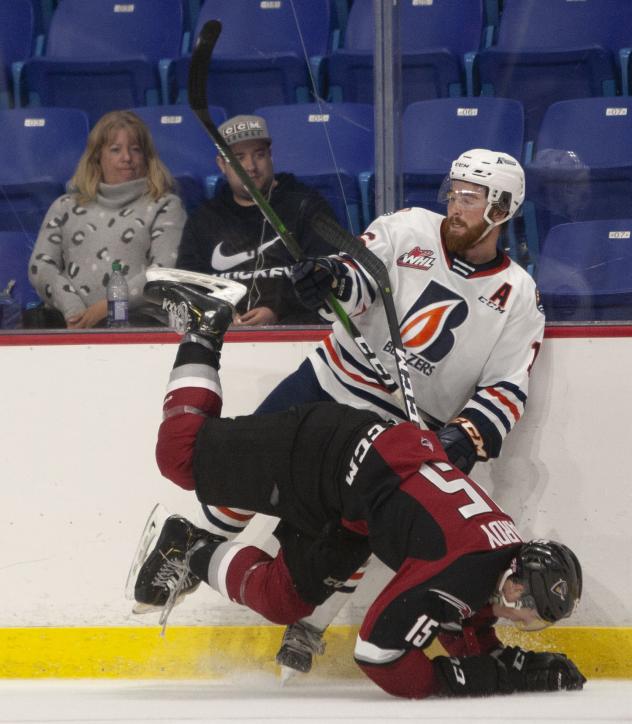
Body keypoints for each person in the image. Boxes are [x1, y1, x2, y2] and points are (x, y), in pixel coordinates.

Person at [128, 269, 585, 699]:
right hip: (326, 451)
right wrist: (482, 678)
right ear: (518, 585)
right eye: (532, 615)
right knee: (179, 458)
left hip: (353, 508)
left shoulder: (493, 558)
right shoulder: (465, 571)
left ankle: (187, 547)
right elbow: (378, 655)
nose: (526, 623)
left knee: (284, 600)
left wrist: (510, 668)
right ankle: (203, 328)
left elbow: (463, 623)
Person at [195, 148, 547, 671]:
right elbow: (358, 276)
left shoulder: (518, 297)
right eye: (453, 193)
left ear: (501, 209)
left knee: (355, 529)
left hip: (393, 430)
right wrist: (331, 279)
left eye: (470, 199)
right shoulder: (408, 229)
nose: (455, 206)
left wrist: (465, 436)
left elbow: (504, 389)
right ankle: (191, 550)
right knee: (232, 486)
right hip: (328, 382)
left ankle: (310, 622)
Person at [175, 114, 339, 326]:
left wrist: (279, 313)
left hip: (294, 336)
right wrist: (218, 315)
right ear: (222, 164)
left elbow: (329, 276)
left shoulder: (306, 206)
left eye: (259, 155)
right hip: (222, 339)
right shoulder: (204, 219)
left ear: (271, 155)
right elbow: (187, 287)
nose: (250, 167)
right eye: (238, 158)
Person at [28, 110, 186, 328]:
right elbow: (41, 267)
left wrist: (106, 307)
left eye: (136, 150)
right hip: (69, 325)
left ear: (147, 157)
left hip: (141, 327)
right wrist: (74, 310)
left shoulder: (165, 205)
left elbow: (164, 271)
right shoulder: (65, 206)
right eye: (115, 150)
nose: (127, 158)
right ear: (97, 157)